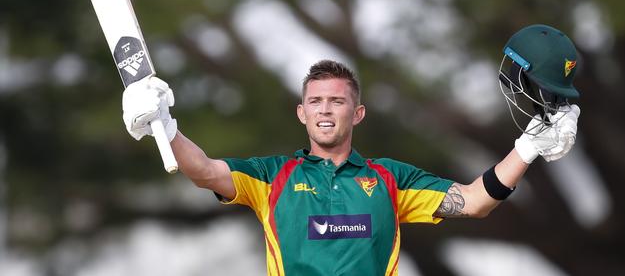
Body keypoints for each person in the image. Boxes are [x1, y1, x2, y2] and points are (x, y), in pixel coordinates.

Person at [121, 24, 581, 276]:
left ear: (356, 113)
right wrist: (165, 125)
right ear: (301, 113)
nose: (325, 111)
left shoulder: (389, 180)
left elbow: (476, 201)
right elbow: (203, 170)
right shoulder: (271, 177)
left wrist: (528, 146)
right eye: (315, 102)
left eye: (337, 101)